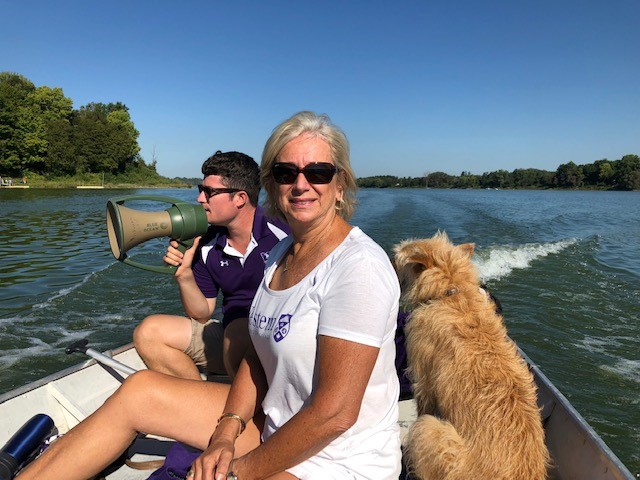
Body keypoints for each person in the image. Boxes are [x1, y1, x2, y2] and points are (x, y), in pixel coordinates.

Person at [18, 111, 401, 480]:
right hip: (273, 420)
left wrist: (238, 470)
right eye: (286, 173)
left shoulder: (358, 267)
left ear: (340, 184)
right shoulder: (283, 256)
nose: (300, 185)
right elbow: (256, 354)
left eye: (318, 172)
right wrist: (224, 432)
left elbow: (334, 415)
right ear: (272, 184)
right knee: (139, 391)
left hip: (339, 456)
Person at [134, 150, 289, 379]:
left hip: (281, 340)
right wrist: (184, 275)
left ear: (240, 198)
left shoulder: (284, 235)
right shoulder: (206, 245)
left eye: (209, 192)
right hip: (231, 341)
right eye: (200, 190)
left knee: (238, 333)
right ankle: (200, 402)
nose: (199, 199)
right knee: (148, 332)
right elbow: (203, 313)